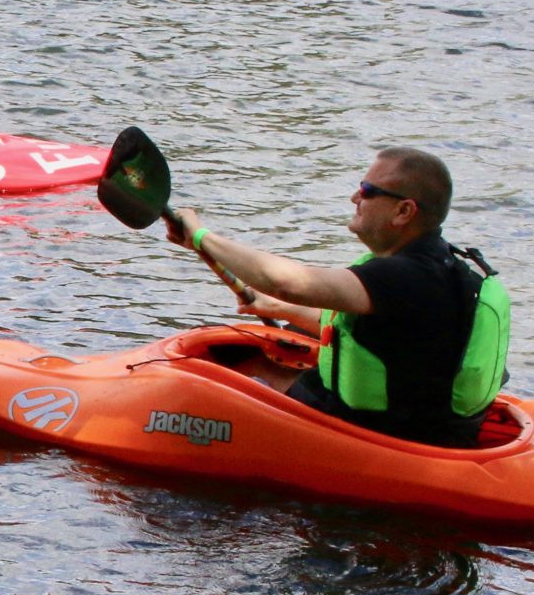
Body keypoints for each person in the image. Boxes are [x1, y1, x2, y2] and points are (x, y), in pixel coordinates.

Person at [174, 146, 511, 448]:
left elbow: (284, 281)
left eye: (367, 191)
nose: (354, 198)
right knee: (270, 361)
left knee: (214, 382)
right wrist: (278, 308)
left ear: (403, 212)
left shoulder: (404, 277)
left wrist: (201, 235)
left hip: (389, 438)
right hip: (437, 428)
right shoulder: (446, 268)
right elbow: (378, 333)